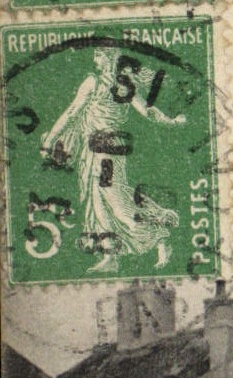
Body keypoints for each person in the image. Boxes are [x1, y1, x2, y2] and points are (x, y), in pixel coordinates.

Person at [39, 48, 183, 273]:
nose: (94, 58)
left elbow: (71, 113)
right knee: (99, 200)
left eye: (98, 54)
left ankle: (159, 235)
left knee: (114, 199)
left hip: (103, 152)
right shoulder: (124, 84)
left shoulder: (94, 82)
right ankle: (110, 256)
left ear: (109, 56)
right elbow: (149, 112)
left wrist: (49, 140)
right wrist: (172, 122)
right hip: (105, 151)